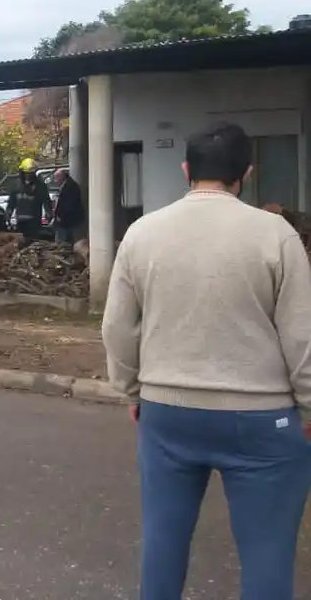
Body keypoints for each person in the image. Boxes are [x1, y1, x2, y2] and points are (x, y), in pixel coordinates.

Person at [102, 121, 311, 600]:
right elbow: (302, 335)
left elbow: (117, 327)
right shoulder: (275, 235)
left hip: (167, 412)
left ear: (186, 170)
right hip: (263, 418)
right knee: (267, 555)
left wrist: (132, 390)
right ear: (247, 174)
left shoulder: (142, 233)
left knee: (163, 542)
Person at [5, 158, 51, 239]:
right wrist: (8, 216)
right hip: (20, 221)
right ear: (22, 172)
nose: (28, 175)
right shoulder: (16, 185)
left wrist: (49, 214)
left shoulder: (40, 186)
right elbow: (11, 203)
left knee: (33, 241)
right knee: (21, 241)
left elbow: (46, 201)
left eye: (31, 173)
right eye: (26, 173)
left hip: (34, 221)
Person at [51, 168, 84, 243]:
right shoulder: (68, 185)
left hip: (67, 220)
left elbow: (68, 204)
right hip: (68, 220)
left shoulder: (70, 186)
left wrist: (60, 216)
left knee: (62, 241)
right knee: (66, 240)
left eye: (56, 178)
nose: (55, 181)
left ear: (61, 177)